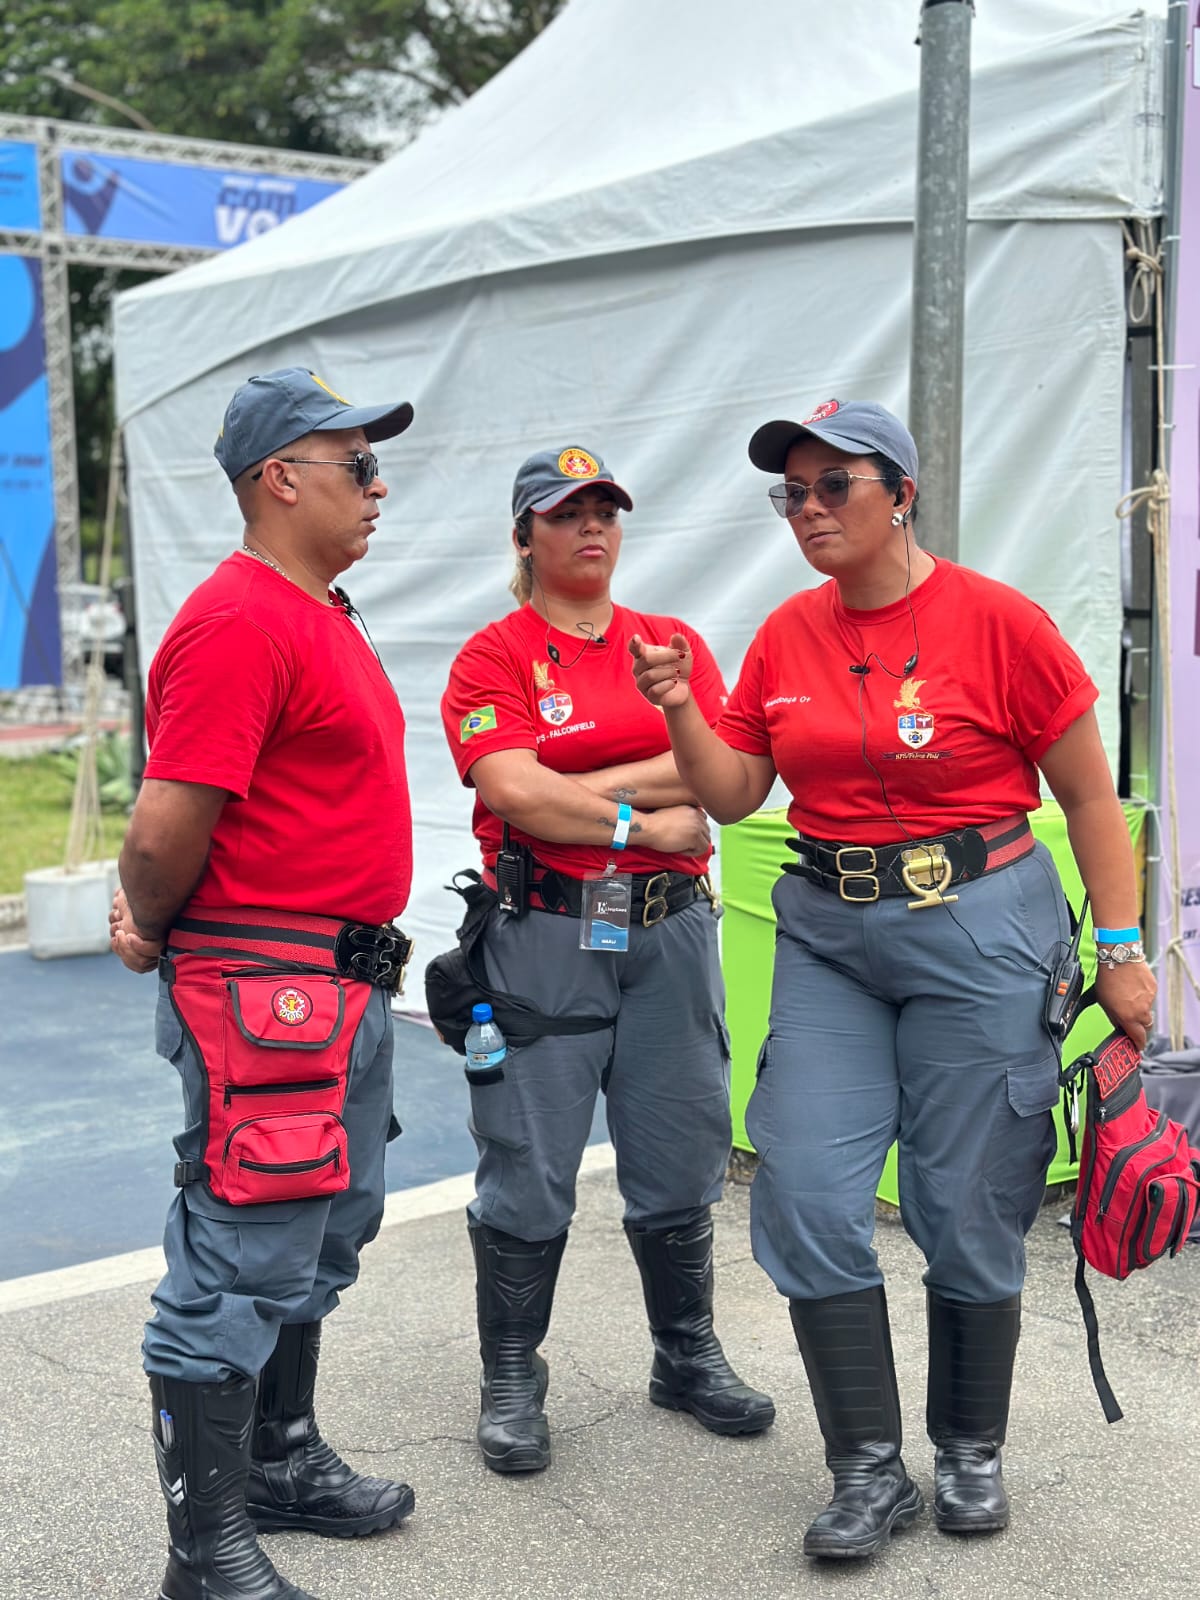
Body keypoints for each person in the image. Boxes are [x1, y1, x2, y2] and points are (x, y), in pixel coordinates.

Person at [630, 399, 1156, 1561]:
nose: (809, 509)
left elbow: (1087, 795)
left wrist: (1121, 951)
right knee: (808, 1190)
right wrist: (678, 706)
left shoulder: (1000, 623)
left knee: (967, 1199)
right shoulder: (785, 635)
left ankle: (969, 1447)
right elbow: (734, 794)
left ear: (902, 494)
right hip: (831, 936)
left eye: (835, 486)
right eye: (792, 493)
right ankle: (868, 1469)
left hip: (982, 930)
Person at [110, 366, 420, 1600]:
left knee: (320, 1228)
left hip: (337, 981)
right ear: (280, 478)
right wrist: (151, 919)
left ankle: (280, 1461)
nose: (379, 487)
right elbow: (166, 820)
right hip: (267, 985)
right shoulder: (242, 619)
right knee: (241, 1251)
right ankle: (206, 1552)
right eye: (360, 465)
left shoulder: (319, 611)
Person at [438, 445, 775, 1475]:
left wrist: (577, 788)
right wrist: (639, 820)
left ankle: (685, 1354)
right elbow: (510, 791)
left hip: (669, 932)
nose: (592, 526)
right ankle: (511, 1372)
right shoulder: (493, 656)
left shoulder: (670, 646)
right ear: (523, 536)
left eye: (606, 510)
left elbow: (716, 772)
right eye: (565, 512)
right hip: (546, 934)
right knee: (528, 1156)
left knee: (682, 1143)